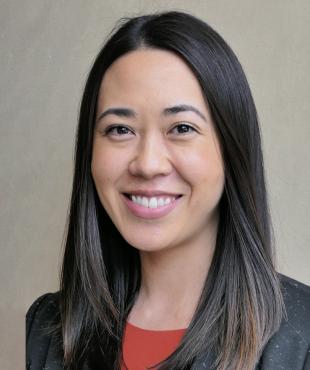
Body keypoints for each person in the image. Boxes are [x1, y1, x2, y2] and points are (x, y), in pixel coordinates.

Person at [26, 10, 310, 370]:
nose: (147, 163)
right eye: (119, 130)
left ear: (231, 148)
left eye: (181, 128)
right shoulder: (43, 331)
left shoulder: (302, 340)